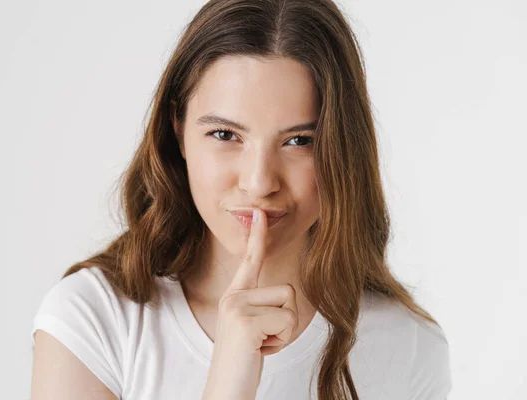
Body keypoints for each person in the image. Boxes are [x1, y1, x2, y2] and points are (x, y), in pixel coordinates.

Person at [30, 0, 452, 399]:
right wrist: (228, 381)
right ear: (177, 129)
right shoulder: (94, 321)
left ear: (345, 149)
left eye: (299, 141)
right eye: (225, 135)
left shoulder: (408, 345)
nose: (258, 182)